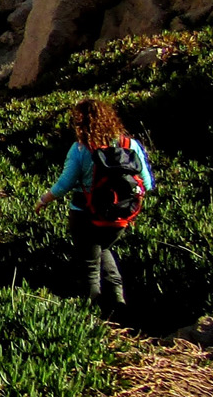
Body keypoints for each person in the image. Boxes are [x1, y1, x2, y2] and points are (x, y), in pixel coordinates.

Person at [35, 98, 154, 312]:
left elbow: (65, 184)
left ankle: (93, 309)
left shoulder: (80, 148)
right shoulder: (130, 144)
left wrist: (44, 199)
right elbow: (146, 183)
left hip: (85, 214)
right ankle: (118, 303)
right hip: (120, 216)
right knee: (104, 248)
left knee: (90, 263)